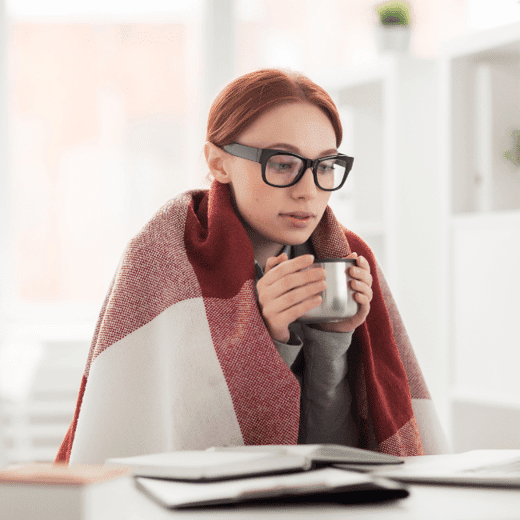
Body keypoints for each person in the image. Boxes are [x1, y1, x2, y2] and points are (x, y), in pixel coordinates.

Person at [56, 69, 449, 464]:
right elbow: (187, 450)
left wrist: (333, 338)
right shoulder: (164, 258)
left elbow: (336, 453)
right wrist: (267, 341)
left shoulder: (347, 257)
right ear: (218, 162)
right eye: (282, 164)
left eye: (326, 166)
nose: (308, 191)